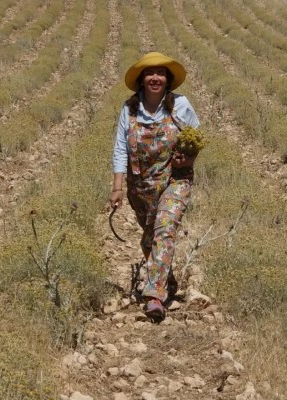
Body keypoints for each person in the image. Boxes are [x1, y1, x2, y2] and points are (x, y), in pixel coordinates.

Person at [107, 52, 200, 323]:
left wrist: (190, 156)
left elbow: (197, 137)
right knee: (150, 237)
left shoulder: (180, 105)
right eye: (150, 73)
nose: (155, 78)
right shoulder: (130, 109)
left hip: (175, 180)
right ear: (142, 80)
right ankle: (165, 278)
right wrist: (117, 187)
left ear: (168, 79)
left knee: (165, 228)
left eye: (161, 73)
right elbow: (120, 148)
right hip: (141, 185)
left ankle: (155, 297)